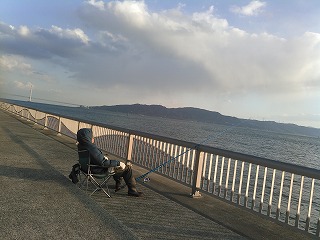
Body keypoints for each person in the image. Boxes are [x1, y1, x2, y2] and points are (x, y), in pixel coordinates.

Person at [76, 128, 143, 197]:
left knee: (115, 166)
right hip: (98, 170)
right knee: (127, 169)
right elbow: (103, 163)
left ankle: (118, 184)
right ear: (88, 137)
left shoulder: (81, 146)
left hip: (86, 169)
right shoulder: (91, 148)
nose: (93, 138)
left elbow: (96, 159)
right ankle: (132, 190)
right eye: (92, 136)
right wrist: (118, 163)